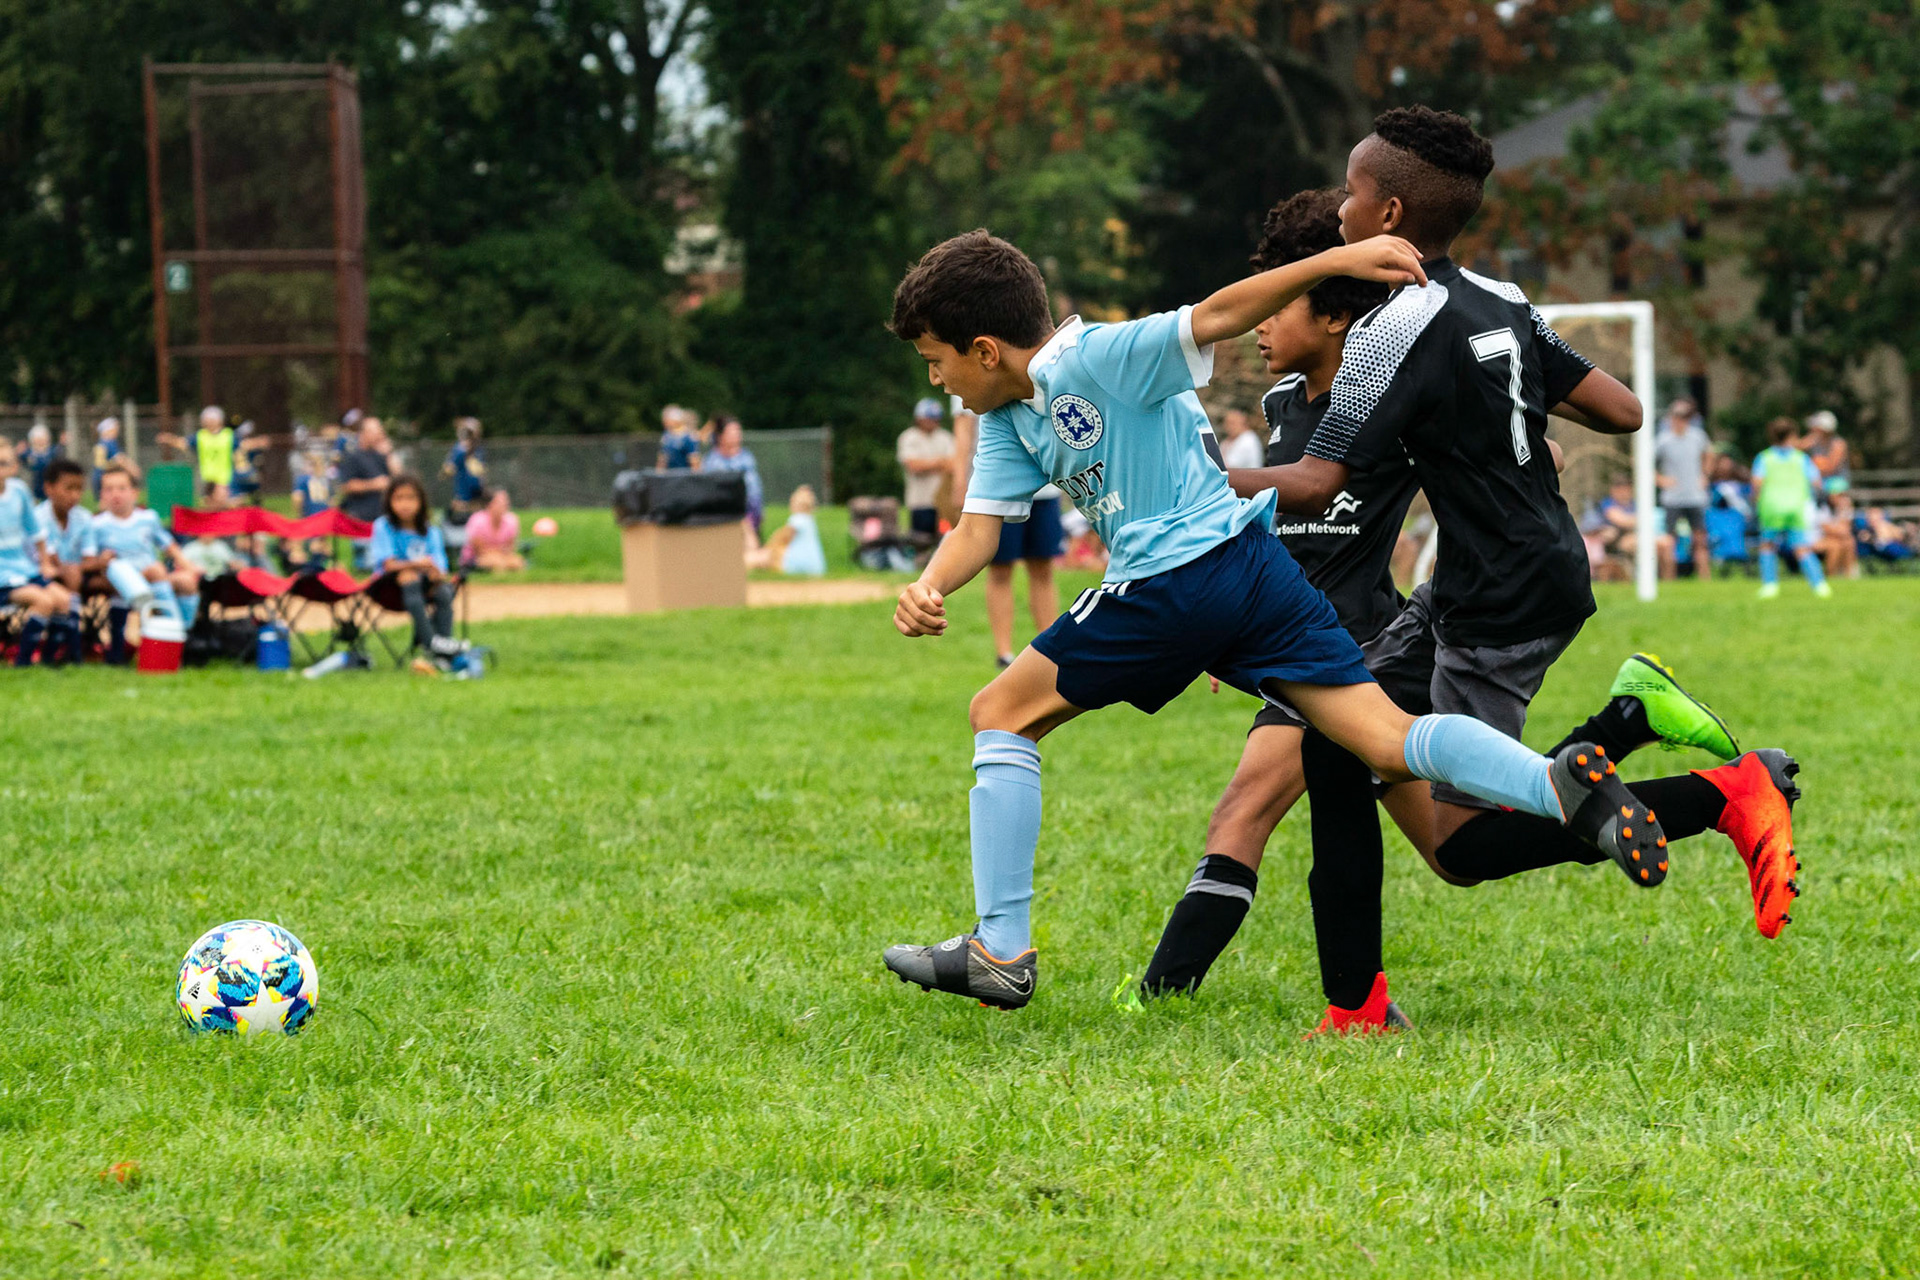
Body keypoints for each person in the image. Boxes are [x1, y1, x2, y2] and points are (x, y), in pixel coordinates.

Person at [877, 225, 1676, 1013]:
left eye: (935, 361)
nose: (938, 380)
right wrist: (930, 583)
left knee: (1000, 713)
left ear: (984, 349)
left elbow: (1217, 314)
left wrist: (1335, 260)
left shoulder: (1093, 357)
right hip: (1259, 576)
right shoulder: (1009, 418)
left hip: (1174, 579)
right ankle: (1557, 785)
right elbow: (981, 527)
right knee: (1381, 734)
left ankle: (1001, 950)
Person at [1206, 109, 1802, 1026]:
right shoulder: (1503, 300)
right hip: (1512, 568)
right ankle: (1357, 1006)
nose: (1337, 217)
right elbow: (1623, 409)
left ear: (1388, 214)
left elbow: (1318, 483)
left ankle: (1726, 793)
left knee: (1464, 845)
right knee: (1334, 739)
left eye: (1351, 198)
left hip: (1498, 595)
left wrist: (1192, 478)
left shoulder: (1384, 330)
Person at [93, 465, 200, 653]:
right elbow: (91, 559)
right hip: (121, 582)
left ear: (135, 493)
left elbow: (169, 546)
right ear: (102, 494)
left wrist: (189, 567)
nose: (115, 494)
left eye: (121, 488)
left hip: (155, 578)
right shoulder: (97, 525)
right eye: (109, 489)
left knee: (186, 582)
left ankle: (184, 633)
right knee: (156, 570)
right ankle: (176, 638)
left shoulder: (148, 518)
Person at [370, 475, 466, 673]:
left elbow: (439, 569)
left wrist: (435, 574)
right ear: (389, 501)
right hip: (388, 588)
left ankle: (442, 653)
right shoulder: (383, 526)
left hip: (424, 588)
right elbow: (387, 565)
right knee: (408, 576)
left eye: (411, 498)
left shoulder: (431, 531)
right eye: (398, 498)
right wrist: (416, 565)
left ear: (421, 502)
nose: (405, 504)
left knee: (444, 591)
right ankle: (431, 643)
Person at [0, 438, 74, 666]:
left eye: (3, 463)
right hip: (3, 576)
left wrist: (44, 563)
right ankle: (23, 662)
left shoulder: (19, 492)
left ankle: (50, 659)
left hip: (23, 568)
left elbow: (36, 532)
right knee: (43, 601)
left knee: (64, 600)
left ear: (14, 467)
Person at [1753, 415, 1832, 599]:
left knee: (1767, 546)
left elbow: (1757, 483)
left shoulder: (1764, 458)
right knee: (1802, 547)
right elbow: (1817, 482)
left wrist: (1756, 502)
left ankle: (1770, 586)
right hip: (1796, 507)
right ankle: (1819, 585)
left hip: (1771, 507)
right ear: (1791, 435)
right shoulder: (1801, 458)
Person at [1654, 398, 1712, 577]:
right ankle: (1669, 578)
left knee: (1700, 539)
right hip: (1672, 498)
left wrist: (1705, 475)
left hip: (1695, 496)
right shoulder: (1663, 440)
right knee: (1670, 540)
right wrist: (1659, 479)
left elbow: (1709, 454)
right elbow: (1644, 462)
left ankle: (1705, 578)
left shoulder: (1697, 436)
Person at [337, 416, 396, 566]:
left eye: (380, 431)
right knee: (366, 565)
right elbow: (347, 486)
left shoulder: (380, 456)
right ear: (363, 433)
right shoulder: (352, 456)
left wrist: (388, 454)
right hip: (362, 518)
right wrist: (374, 484)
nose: (379, 434)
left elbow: (398, 478)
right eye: (374, 431)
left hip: (383, 516)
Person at [897, 397, 956, 541]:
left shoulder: (945, 437)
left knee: (945, 541)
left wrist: (927, 464)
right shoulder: (909, 437)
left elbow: (953, 465)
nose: (933, 422)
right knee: (920, 542)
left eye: (936, 419)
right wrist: (940, 463)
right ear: (919, 419)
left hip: (944, 503)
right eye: (929, 418)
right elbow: (913, 466)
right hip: (920, 501)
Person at [702, 416, 764, 538]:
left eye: (738, 432)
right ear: (720, 436)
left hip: (750, 515)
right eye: (732, 432)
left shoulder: (746, 457)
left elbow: (754, 489)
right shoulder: (712, 461)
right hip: (724, 519)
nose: (737, 435)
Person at [745, 485, 828, 575]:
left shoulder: (798, 519)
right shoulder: (809, 520)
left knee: (757, 557)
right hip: (815, 566)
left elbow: (782, 537)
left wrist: (767, 548)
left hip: (798, 563)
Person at [462, 488, 525, 571]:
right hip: (475, 559)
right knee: (496, 562)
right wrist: (499, 552)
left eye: (506, 501)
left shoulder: (511, 520)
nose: (505, 504)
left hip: (503, 556)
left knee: (517, 562)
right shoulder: (477, 520)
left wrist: (500, 553)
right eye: (500, 501)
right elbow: (479, 550)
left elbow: (511, 547)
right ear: (489, 504)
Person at [443, 417, 488, 526]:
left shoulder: (478, 449)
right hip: (463, 487)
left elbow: (480, 469)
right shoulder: (459, 448)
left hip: (476, 487)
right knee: (460, 511)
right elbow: (449, 468)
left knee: (477, 513)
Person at [1800, 410, 1850, 498]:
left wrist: (1813, 465)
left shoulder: (1838, 444)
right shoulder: (1813, 441)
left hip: (1836, 482)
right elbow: (1794, 450)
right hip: (1818, 482)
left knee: (1835, 493)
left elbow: (1830, 468)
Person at [230, 421, 267, 506]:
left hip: (248, 473)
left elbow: (258, 460)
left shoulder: (252, 450)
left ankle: (255, 504)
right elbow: (246, 445)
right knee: (239, 499)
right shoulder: (235, 441)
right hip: (239, 473)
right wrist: (258, 443)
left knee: (254, 490)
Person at [656, 406, 703, 471]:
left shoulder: (688, 437)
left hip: (685, 477)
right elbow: (662, 459)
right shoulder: (667, 435)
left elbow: (694, 461)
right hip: (669, 476)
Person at [90, 417, 125, 500]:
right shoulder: (109, 443)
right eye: (115, 428)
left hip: (99, 476)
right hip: (105, 477)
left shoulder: (102, 443)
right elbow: (119, 460)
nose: (117, 431)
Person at [23, 424, 59, 502]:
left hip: (49, 485)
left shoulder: (53, 452)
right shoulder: (27, 453)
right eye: (38, 439)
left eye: (43, 438)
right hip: (32, 487)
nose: (41, 441)